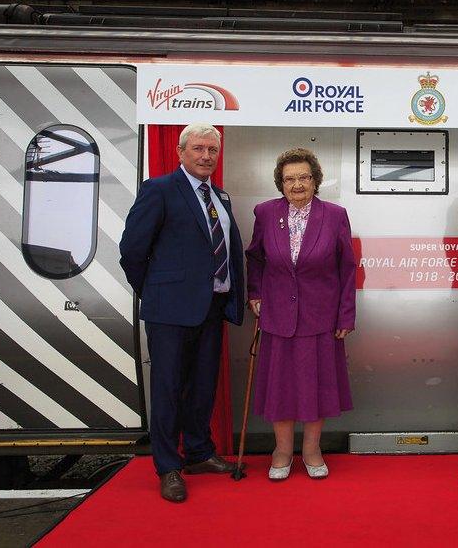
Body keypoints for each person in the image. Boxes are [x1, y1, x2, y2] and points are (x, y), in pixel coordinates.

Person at [119, 123, 244, 503]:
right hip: (170, 311)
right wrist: (156, 291)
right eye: (199, 149)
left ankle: (199, 453)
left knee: (203, 387)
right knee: (169, 389)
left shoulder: (219, 195)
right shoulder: (159, 189)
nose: (206, 156)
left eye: (212, 150)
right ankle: (168, 467)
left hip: (211, 308)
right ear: (180, 151)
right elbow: (132, 251)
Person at [245, 148, 356, 481]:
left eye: (304, 177)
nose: (297, 185)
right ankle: (281, 450)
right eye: (289, 178)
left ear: (315, 179)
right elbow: (255, 259)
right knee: (281, 386)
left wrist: (345, 315)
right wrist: (255, 293)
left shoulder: (335, 215)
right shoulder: (265, 213)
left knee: (316, 386)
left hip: (320, 316)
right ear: (280, 182)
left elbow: (347, 268)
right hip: (278, 314)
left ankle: (311, 449)